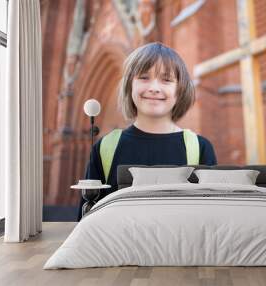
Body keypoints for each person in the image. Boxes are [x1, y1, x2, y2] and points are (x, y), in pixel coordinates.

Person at [77, 42, 217, 220]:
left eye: (166, 79)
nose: (154, 87)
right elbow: (86, 221)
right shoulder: (105, 148)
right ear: (129, 85)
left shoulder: (199, 148)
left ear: (180, 90)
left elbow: (210, 218)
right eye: (144, 77)